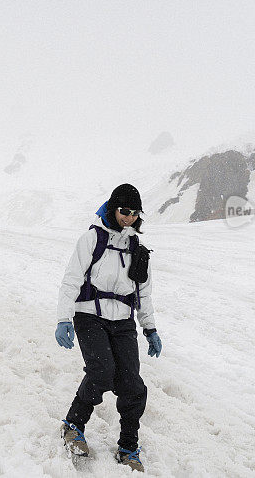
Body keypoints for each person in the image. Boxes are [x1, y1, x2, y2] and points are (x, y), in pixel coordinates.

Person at [55, 183, 162, 472]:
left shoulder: (137, 249)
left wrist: (150, 328)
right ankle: (72, 425)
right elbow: (71, 280)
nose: (128, 217)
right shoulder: (91, 240)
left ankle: (128, 445)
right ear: (113, 208)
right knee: (102, 371)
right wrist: (64, 318)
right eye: (124, 211)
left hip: (123, 322)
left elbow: (143, 293)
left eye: (134, 213)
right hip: (89, 316)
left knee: (132, 383)